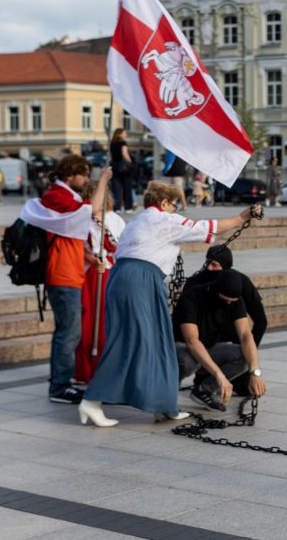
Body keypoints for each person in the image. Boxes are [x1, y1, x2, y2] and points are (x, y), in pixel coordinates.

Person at [78, 181, 259, 427]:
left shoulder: (138, 220)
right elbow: (210, 227)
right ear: (163, 203)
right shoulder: (163, 219)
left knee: (158, 342)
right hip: (140, 280)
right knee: (131, 342)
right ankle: (92, 400)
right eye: (174, 205)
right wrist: (242, 217)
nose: (176, 210)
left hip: (128, 278)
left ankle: (164, 404)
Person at [20, 155, 112, 404]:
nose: (86, 180)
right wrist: (103, 180)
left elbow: (69, 235)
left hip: (72, 271)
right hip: (61, 274)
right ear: (70, 175)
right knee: (69, 332)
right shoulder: (57, 197)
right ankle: (59, 387)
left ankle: (63, 382)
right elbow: (90, 209)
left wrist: (89, 257)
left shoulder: (66, 197)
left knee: (72, 330)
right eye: (83, 174)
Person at [174, 270, 268, 412]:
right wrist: (220, 375)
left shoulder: (236, 301)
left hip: (209, 348)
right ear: (215, 290)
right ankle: (168, 395)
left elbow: (245, 335)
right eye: (225, 300)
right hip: (182, 348)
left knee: (243, 356)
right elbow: (192, 341)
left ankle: (205, 390)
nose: (228, 303)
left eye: (232, 301)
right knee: (188, 361)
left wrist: (255, 372)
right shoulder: (192, 297)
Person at [74, 182, 125, 385]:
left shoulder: (115, 219)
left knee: (108, 321)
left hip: (111, 273)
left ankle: (107, 369)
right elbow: (77, 245)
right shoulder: (81, 218)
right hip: (89, 274)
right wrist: (91, 259)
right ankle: (84, 370)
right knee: (87, 322)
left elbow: (125, 245)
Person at [182, 245, 267, 347]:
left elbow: (260, 320)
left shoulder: (239, 282)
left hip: (232, 341)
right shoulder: (195, 282)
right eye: (207, 262)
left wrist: (250, 349)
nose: (209, 267)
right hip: (202, 342)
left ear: (225, 266)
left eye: (214, 265)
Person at [109, 128, 135, 213]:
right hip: (124, 167)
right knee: (127, 187)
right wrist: (130, 162)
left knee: (116, 188)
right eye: (124, 133)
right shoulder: (123, 142)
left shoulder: (112, 143)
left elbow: (111, 155)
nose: (125, 134)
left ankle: (117, 208)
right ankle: (128, 208)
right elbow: (124, 154)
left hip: (114, 166)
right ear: (120, 134)